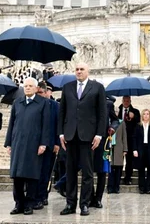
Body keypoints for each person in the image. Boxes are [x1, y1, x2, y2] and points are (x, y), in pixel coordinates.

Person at [58, 63, 106, 217]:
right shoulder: (67, 87)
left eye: (81, 69)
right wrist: (61, 134)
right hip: (70, 135)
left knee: (87, 172)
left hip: (88, 136)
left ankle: (84, 204)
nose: (79, 71)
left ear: (88, 71)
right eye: (77, 69)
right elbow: (62, 112)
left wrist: (99, 134)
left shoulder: (97, 88)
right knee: (70, 171)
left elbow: (102, 114)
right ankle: (70, 204)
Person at [5, 77, 50, 215]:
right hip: (18, 143)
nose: (28, 88)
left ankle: (29, 204)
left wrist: (43, 143)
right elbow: (11, 123)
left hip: (34, 144)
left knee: (31, 175)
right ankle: (19, 203)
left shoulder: (42, 103)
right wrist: (8, 143)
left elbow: (46, 125)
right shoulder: (17, 102)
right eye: (25, 86)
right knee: (17, 175)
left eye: (30, 86)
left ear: (37, 88)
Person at [90, 95, 118, 209]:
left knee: (102, 171)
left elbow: (115, 120)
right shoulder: (86, 102)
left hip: (103, 142)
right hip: (88, 141)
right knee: (89, 171)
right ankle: (90, 197)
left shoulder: (108, 104)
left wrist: (112, 127)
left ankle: (98, 199)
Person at [36, 82, 59, 208]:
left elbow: (58, 125)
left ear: (46, 93)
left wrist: (57, 143)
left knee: (46, 172)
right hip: (35, 145)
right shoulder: (34, 105)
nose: (38, 95)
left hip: (50, 144)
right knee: (36, 172)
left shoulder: (55, 106)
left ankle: (43, 196)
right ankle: (35, 195)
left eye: (40, 93)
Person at [133, 109, 150, 194]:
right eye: (144, 114)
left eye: (148, 114)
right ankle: (141, 187)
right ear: (142, 116)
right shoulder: (138, 126)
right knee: (141, 169)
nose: (146, 116)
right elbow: (135, 138)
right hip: (141, 148)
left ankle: (148, 188)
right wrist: (135, 149)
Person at [117, 95, 140, 185]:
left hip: (130, 139)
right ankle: (117, 178)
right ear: (122, 101)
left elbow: (139, 124)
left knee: (129, 160)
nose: (126, 102)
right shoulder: (117, 111)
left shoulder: (135, 111)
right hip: (119, 139)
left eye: (128, 100)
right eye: (124, 100)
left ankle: (128, 177)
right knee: (118, 159)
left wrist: (134, 117)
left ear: (130, 101)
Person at [107, 116, 128, 194]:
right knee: (110, 169)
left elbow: (124, 136)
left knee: (118, 169)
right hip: (109, 147)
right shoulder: (108, 121)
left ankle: (116, 187)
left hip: (119, 147)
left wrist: (125, 149)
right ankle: (110, 187)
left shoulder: (121, 122)